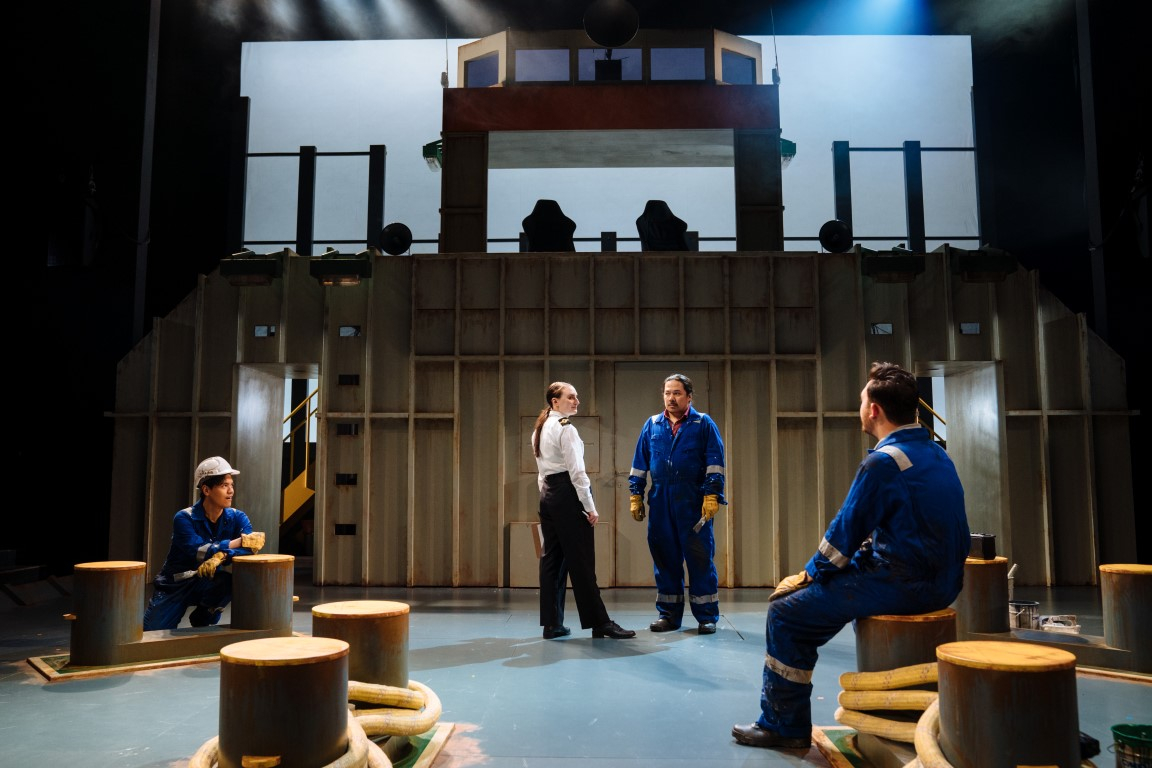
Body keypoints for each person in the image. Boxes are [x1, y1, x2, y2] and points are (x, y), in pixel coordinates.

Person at [732, 362, 969, 750]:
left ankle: (783, 726)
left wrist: (809, 574)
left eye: (862, 401)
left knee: (787, 614)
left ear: (873, 410)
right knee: (824, 596)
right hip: (945, 581)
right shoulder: (936, 453)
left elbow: (843, 536)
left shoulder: (883, 462)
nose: (860, 408)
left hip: (906, 583)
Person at [531, 382, 635, 640]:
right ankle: (600, 623)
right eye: (570, 397)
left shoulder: (539, 429)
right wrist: (589, 506)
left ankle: (552, 624)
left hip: (548, 496)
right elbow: (577, 473)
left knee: (551, 561)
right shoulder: (566, 430)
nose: (576, 401)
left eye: (577, 397)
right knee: (582, 563)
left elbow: (542, 474)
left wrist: (547, 500)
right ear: (555, 402)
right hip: (568, 495)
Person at [628, 373, 727, 635]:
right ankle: (668, 615)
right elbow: (640, 464)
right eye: (667, 393)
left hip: (692, 501)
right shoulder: (652, 425)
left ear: (689, 396)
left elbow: (715, 462)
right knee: (665, 559)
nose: (671, 398)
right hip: (661, 501)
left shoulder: (702, 423)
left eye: (677, 393)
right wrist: (635, 494)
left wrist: (712, 494)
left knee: (699, 558)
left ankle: (706, 616)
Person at [142, 456, 267, 630]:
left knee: (226, 582)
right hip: (175, 585)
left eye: (231, 485)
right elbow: (198, 550)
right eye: (224, 486)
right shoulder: (184, 518)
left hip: (206, 579)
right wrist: (238, 542)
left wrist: (222, 555)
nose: (231, 491)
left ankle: (203, 617)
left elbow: (249, 549)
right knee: (152, 635)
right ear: (206, 490)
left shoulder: (238, 517)